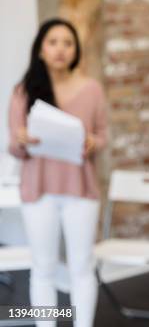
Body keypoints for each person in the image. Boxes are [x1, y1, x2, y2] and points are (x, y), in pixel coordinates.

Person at [8, 18, 107, 327]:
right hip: (38, 190)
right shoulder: (24, 91)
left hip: (81, 189)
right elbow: (13, 145)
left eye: (68, 43)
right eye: (53, 42)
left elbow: (103, 134)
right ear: (40, 49)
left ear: (76, 50)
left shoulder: (91, 89)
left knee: (82, 267)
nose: (61, 49)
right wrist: (20, 140)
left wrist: (94, 142)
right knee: (43, 268)